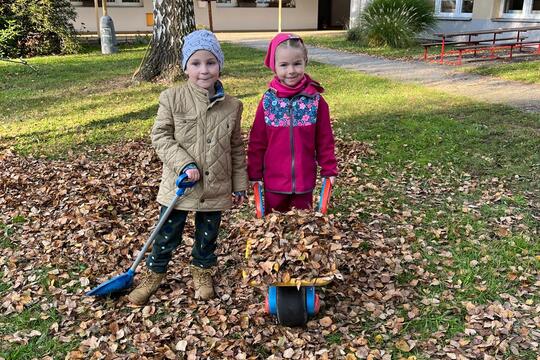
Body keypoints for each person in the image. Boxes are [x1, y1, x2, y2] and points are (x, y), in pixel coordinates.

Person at [128, 30, 248, 305]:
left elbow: (237, 147)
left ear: (220, 65)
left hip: (216, 185)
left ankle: (202, 272)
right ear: (185, 67)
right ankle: (154, 275)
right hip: (179, 185)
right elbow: (160, 136)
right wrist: (185, 163)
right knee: (166, 233)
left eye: (210, 62)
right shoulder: (172, 98)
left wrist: (239, 184)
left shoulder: (233, 106)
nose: (204, 70)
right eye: (196, 63)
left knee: (208, 235)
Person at [247, 33, 338, 213]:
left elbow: (325, 140)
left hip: (304, 182)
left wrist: (329, 169)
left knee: (304, 230)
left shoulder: (315, 101)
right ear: (274, 66)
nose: (291, 71)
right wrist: (254, 173)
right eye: (284, 65)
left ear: (305, 61)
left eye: (297, 63)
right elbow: (257, 141)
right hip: (274, 182)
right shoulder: (268, 101)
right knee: (275, 230)